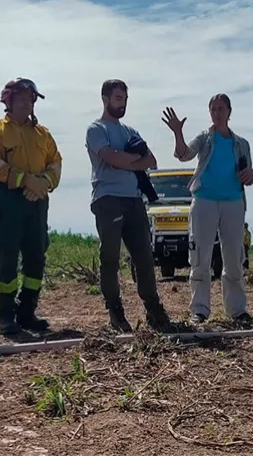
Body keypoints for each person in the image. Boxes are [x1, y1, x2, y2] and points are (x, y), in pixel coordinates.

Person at [86, 79, 172, 332]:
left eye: (125, 99)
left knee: (144, 257)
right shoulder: (96, 129)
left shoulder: (130, 131)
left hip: (135, 200)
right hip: (107, 199)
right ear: (105, 99)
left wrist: (125, 160)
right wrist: (134, 159)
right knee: (110, 257)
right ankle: (115, 310)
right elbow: (110, 158)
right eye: (117, 98)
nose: (122, 103)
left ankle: (154, 310)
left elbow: (152, 161)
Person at [162, 95, 253, 325]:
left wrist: (251, 174)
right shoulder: (205, 138)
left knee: (234, 257)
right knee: (200, 256)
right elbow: (184, 155)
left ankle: (237, 310)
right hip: (204, 201)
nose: (216, 112)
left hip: (233, 202)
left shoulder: (241, 143)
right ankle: (200, 310)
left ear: (229, 111)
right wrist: (177, 132)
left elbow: (249, 174)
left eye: (220, 108)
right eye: (213, 109)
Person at [0, 78, 61, 336]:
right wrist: (25, 180)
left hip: (37, 201)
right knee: (7, 258)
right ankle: (5, 315)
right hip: (8, 200)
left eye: (32, 98)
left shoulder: (43, 134)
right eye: (23, 97)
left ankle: (27, 312)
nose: (29, 102)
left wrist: (42, 184)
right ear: (8, 100)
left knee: (36, 257)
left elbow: (56, 164)